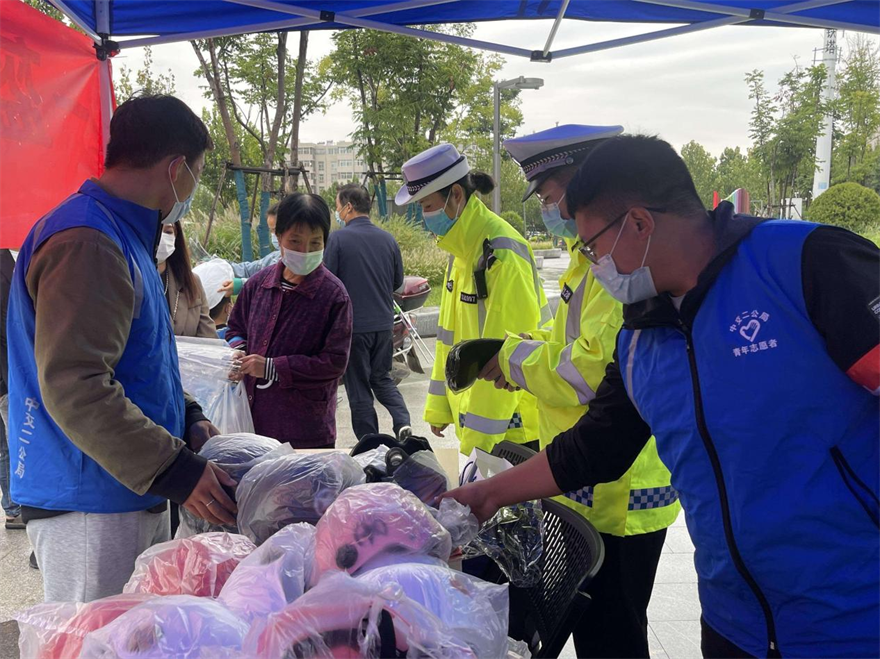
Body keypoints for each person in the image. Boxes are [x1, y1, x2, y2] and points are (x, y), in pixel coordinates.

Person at [444, 135, 880, 659]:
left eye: (592, 246)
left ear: (639, 223)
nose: (593, 263)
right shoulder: (641, 334)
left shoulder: (804, 264)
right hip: (733, 621)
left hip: (854, 618)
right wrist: (485, 496)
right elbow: (596, 445)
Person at [6, 95, 238, 603]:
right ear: (176, 169)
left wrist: (189, 416)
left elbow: (143, 357)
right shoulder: (87, 241)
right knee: (96, 642)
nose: (192, 188)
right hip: (89, 500)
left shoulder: (125, 236)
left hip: (129, 488)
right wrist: (176, 468)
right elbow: (77, 386)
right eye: (197, 173)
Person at [475, 125, 679, 659]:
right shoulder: (585, 260)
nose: (551, 210)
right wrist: (513, 351)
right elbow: (564, 340)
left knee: (614, 636)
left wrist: (512, 362)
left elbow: (589, 371)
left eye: (550, 195)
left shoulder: (619, 265)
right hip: (586, 480)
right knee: (598, 635)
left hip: (625, 494)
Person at [395, 144, 549, 455]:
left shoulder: (500, 254)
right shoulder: (462, 251)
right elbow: (447, 339)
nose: (425, 216)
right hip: (484, 427)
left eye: (427, 205)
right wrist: (440, 407)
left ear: (455, 195)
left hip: (512, 430)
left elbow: (506, 353)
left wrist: (477, 443)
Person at [226, 193, 353, 447]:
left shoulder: (333, 296)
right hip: (253, 423)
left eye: (315, 243)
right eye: (295, 241)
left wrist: (273, 368)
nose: (305, 251)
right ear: (279, 238)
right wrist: (240, 352)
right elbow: (235, 327)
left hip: (305, 432)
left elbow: (334, 363)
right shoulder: (257, 285)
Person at [324, 183, 412, 440]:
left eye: (339, 207)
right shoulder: (388, 239)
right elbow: (398, 282)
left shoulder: (337, 239)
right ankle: (402, 423)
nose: (338, 212)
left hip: (353, 329)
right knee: (382, 378)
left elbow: (328, 283)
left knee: (359, 387)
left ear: (349, 207)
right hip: (384, 326)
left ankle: (370, 442)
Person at [157, 222, 217, 338]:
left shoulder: (192, 282)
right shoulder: (132, 279)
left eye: (168, 232)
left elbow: (209, 340)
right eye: (157, 231)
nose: (162, 238)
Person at [0, 249, 23, 531]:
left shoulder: (10, 257)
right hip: (8, 379)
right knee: (11, 447)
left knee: (8, 447)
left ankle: (14, 506)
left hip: (11, 377)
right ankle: (15, 506)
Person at [219, 202, 281, 298]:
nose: (274, 235)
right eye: (271, 231)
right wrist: (220, 264)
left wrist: (242, 284)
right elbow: (248, 269)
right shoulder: (275, 257)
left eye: (276, 230)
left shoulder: (302, 262)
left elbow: (272, 283)